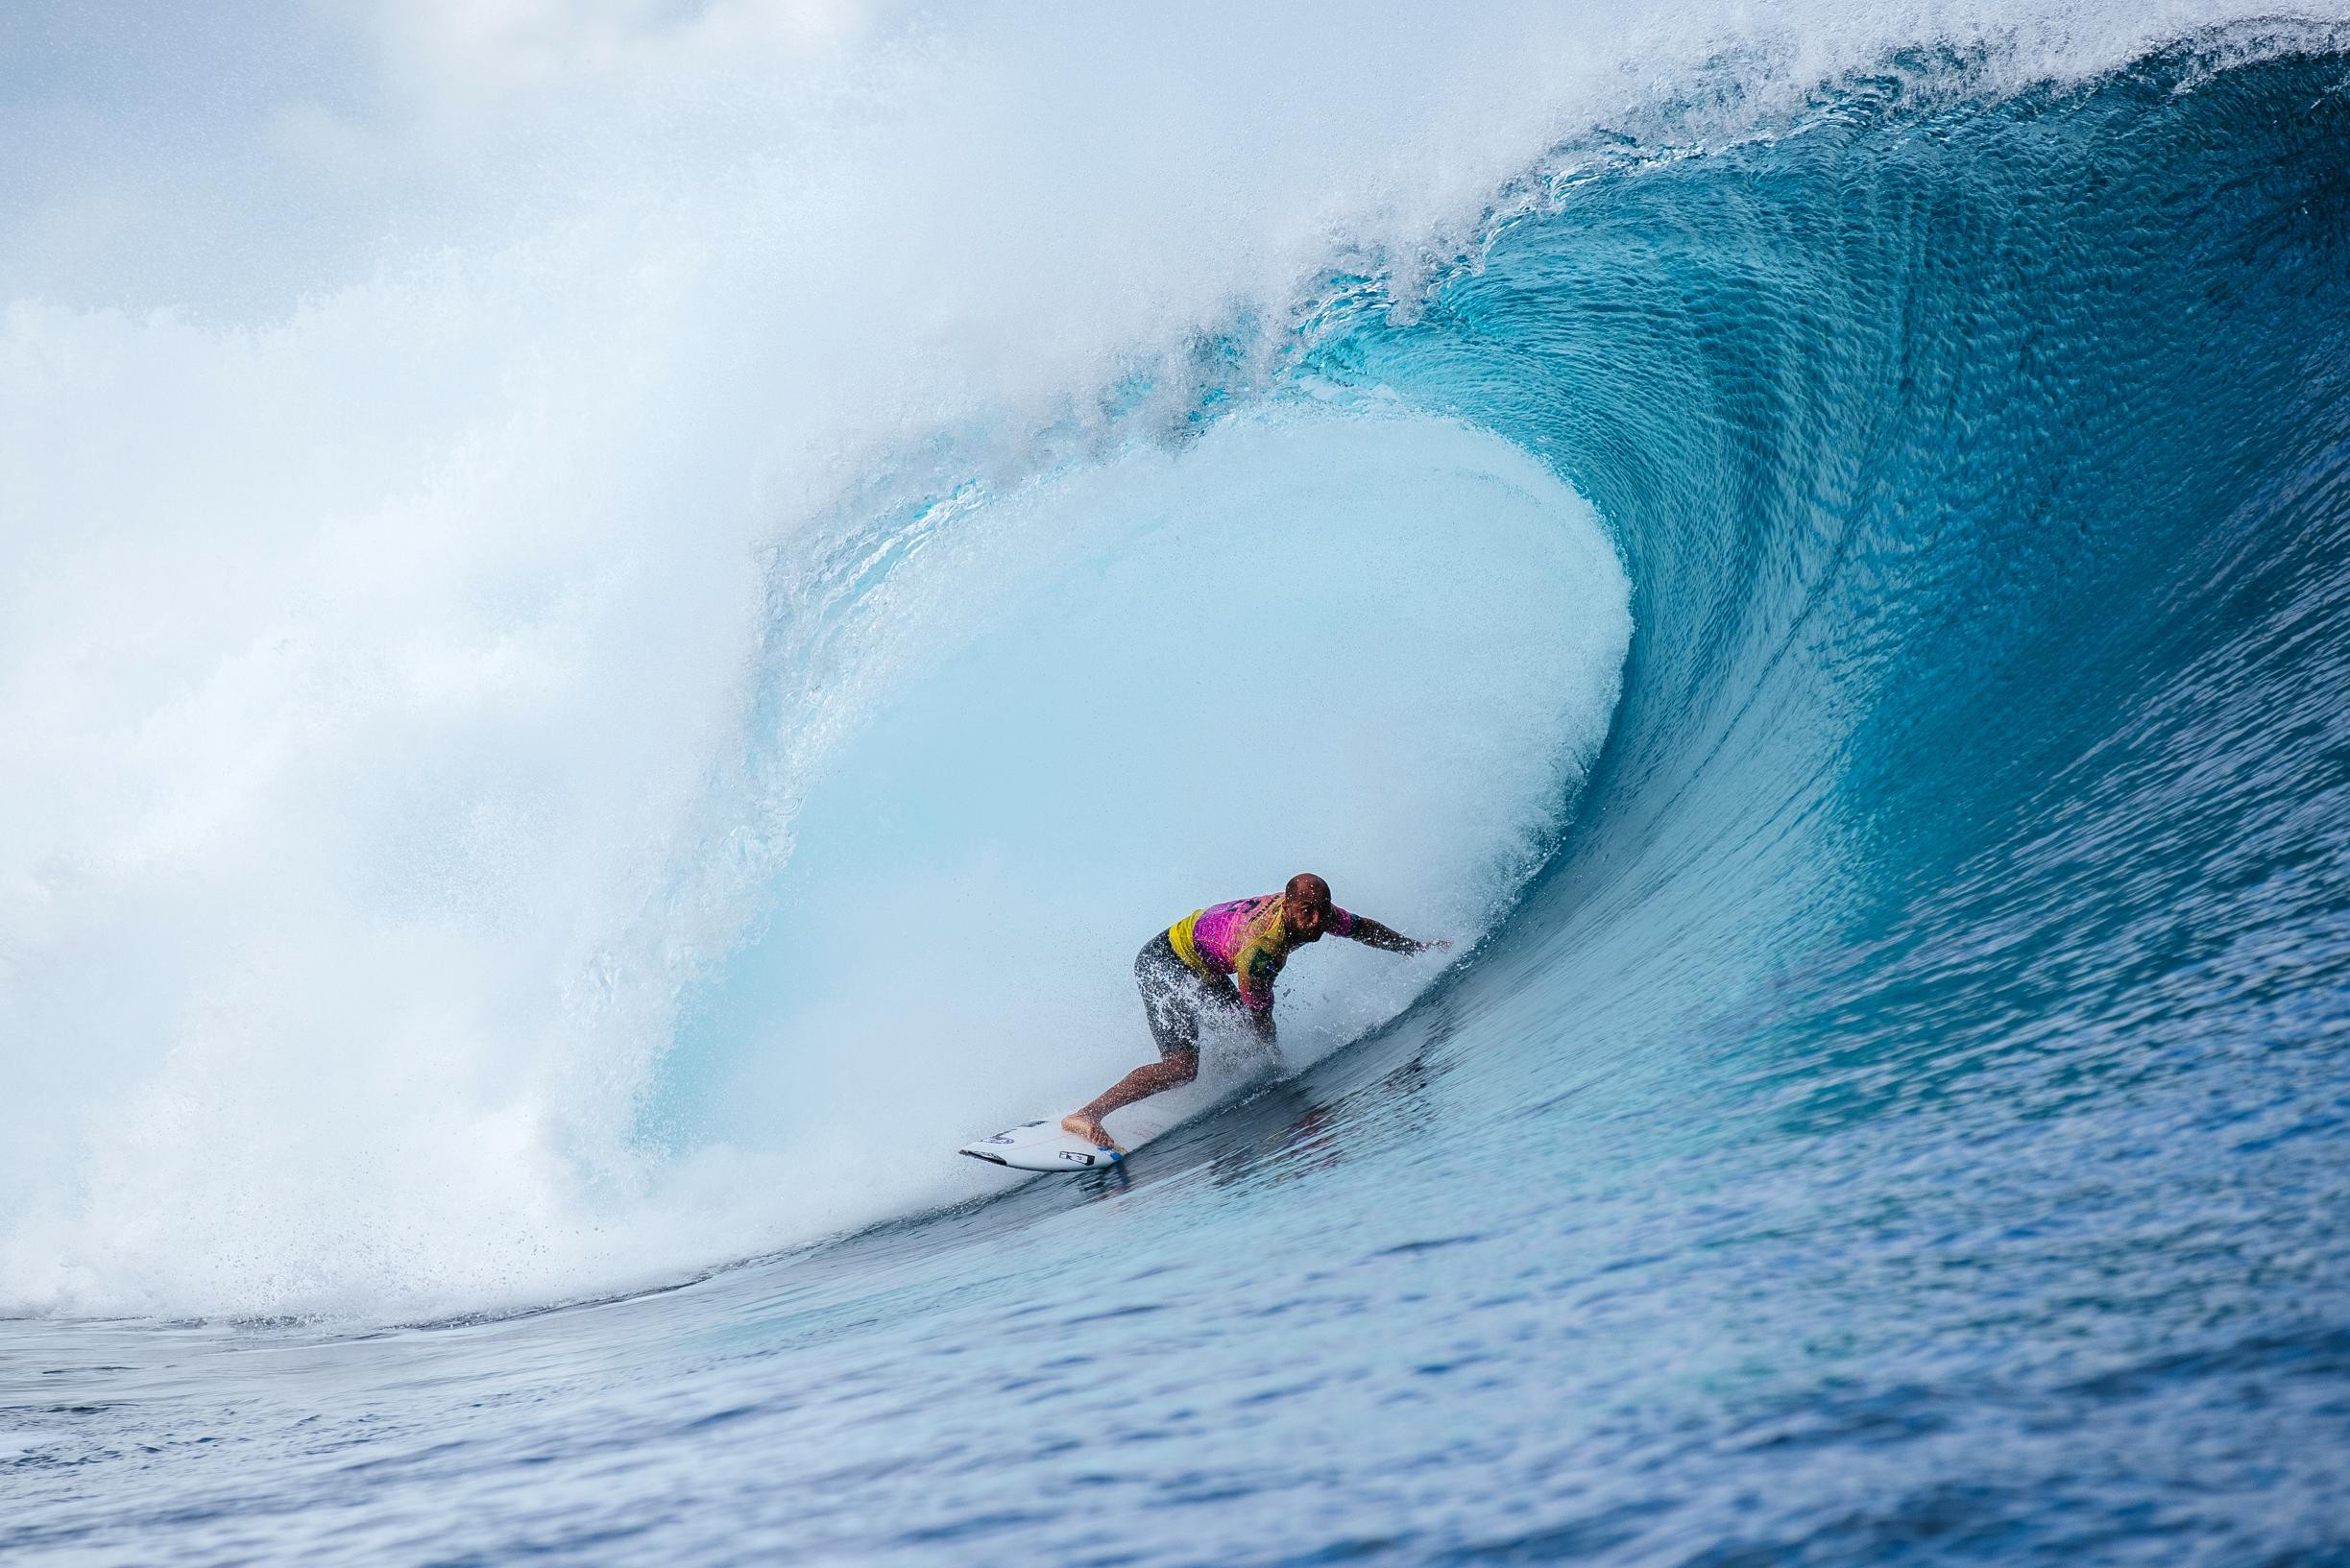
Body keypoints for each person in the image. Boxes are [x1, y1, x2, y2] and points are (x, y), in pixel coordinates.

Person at [1062, 873, 1448, 1148]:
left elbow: (1362, 928)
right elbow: (1260, 1018)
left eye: (1322, 912)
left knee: (1238, 1040)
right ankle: (1088, 1113)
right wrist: (1276, 1066)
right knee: (1183, 1066)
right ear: (1290, 905)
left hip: (1203, 961)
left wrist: (1414, 948)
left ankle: (1213, 1091)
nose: (1316, 924)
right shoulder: (1262, 951)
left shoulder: (1316, 912)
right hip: (1167, 962)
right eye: (1307, 913)